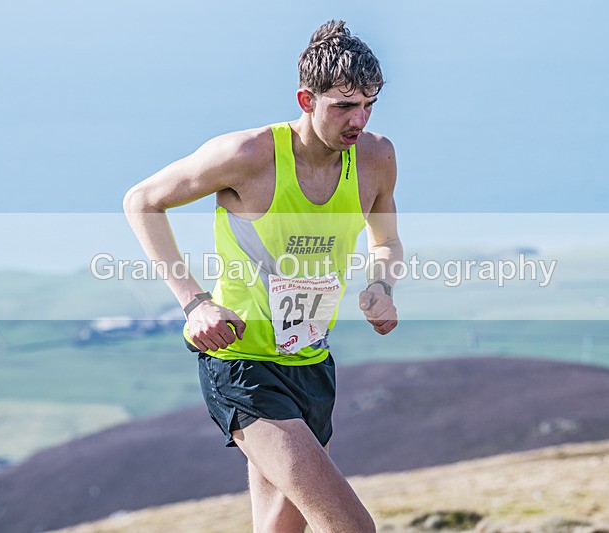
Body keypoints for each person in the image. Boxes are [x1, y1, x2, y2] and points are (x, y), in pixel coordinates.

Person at [123, 20, 402, 533]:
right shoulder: (248, 156)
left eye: (368, 104)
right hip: (242, 364)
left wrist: (381, 286)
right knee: (351, 526)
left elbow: (385, 241)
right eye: (343, 106)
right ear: (305, 98)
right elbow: (142, 202)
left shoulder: (376, 159)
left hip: (312, 363)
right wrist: (194, 303)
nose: (358, 119)